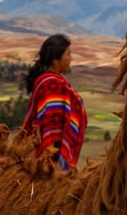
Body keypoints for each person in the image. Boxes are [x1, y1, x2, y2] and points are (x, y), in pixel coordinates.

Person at [21, 34, 87, 170]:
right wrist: (53, 155)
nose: (71, 58)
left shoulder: (53, 82)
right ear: (56, 59)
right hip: (51, 157)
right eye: (68, 54)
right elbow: (52, 125)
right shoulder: (52, 85)